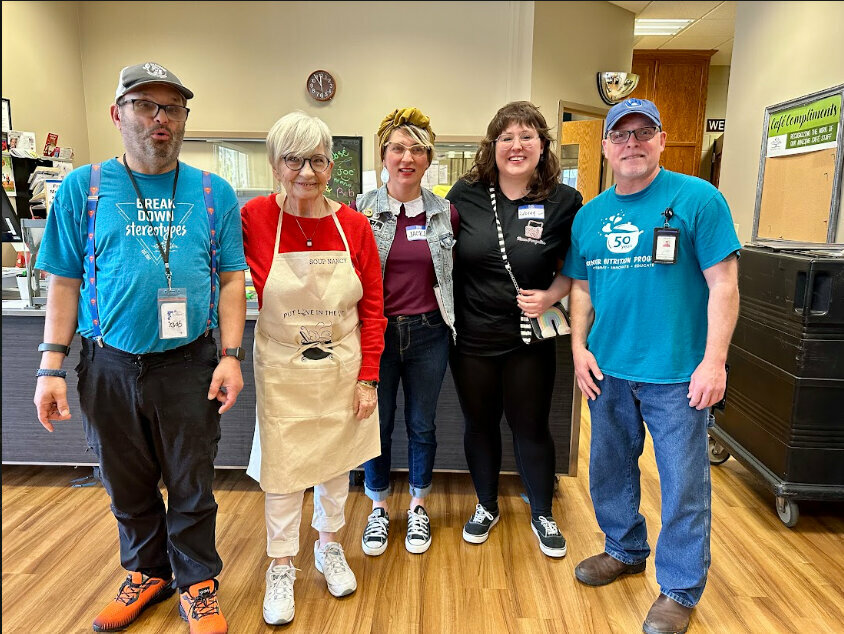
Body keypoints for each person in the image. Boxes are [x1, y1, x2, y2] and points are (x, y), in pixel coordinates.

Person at [33, 62, 247, 634]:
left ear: (183, 119)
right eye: (145, 105)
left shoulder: (212, 191)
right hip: (107, 363)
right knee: (125, 481)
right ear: (118, 113)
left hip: (189, 364)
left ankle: (198, 582)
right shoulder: (84, 187)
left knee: (192, 481)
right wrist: (50, 367)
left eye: (172, 107)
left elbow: (231, 279)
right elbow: (65, 283)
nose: (160, 118)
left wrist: (231, 355)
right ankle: (147, 571)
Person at [562, 98, 740, 634]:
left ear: (662, 140)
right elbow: (580, 288)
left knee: (683, 483)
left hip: (678, 374)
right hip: (608, 369)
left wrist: (714, 361)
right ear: (606, 147)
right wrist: (578, 347)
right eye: (621, 135)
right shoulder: (590, 215)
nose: (632, 144)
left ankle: (681, 588)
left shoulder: (698, 199)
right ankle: (624, 548)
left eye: (644, 133)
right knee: (610, 470)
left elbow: (724, 285)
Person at [241, 111, 385, 626]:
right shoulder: (254, 218)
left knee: (335, 461)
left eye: (318, 160)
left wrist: (368, 376)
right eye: (294, 159)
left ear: (331, 165)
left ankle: (328, 546)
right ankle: (281, 564)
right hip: (281, 363)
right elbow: (228, 286)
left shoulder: (354, 225)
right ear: (276, 165)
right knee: (282, 469)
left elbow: (372, 309)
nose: (307, 171)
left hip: (341, 363)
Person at [446, 101, 582, 558]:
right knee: (479, 425)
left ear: (542, 146)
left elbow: (576, 270)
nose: (516, 145)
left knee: (531, 426)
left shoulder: (564, 201)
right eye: (507, 137)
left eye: (527, 136)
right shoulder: (464, 195)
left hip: (530, 338)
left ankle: (542, 511)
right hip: (471, 339)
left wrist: (550, 295)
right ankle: (486, 505)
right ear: (493, 147)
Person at [353, 108, 458, 557]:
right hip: (375, 334)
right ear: (384, 155)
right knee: (375, 423)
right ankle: (378, 506)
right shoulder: (360, 209)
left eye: (417, 149)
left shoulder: (445, 213)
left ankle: (417, 505)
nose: (407, 157)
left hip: (430, 333)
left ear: (429, 158)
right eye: (398, 148)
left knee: (421, 423)